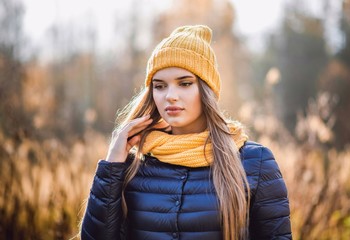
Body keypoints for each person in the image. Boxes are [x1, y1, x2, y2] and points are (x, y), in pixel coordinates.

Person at [80, 25, 292, 240]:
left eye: (185, 83)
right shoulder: (132, 165)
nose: (170, 96)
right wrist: (112, 164)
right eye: (160, 86)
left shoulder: (255, 162)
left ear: (207, 89)